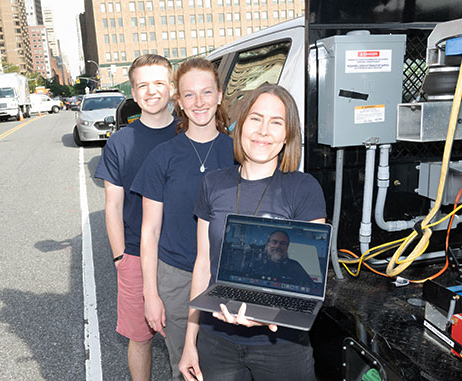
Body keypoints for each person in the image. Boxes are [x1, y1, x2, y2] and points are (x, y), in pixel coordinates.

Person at [179, 83, 326, 381]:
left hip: (281, 345)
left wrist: (265, 317)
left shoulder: (304, 188)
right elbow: (203, 264)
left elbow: (311, 282)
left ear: (287, 136)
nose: (263, 131)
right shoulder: (213, 184)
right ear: (241, 124)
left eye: (276, 123)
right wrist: (189, 342)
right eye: (256, 118)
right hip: (216, 340)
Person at [130, 58, 235, 380]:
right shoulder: (163, 156)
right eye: (189, 95)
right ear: (179, 101)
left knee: (227, 369)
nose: (199, 102)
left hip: (227, 278)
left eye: (206, 93)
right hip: (175, 277)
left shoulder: (240, 152)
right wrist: (151, 295)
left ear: (219, 96)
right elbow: (149, 230)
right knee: (187, 368)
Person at [94, 54, 178, 381]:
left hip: (183, 257)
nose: (151, 91)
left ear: (171, 87)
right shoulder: (120, 142)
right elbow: (113, 206)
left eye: (158, 83)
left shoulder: (188, 134)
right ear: (133, 91)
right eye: (143, 85)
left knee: (186, 339)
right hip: (134, 254)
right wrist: (120, 258)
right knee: (139, 338)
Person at [249, 230, 315, 288]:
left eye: (282, 243)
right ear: (268, 244)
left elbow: (311, 288)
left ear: (287, 247)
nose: (278, 246)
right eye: (274, 242)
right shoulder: (253, 264)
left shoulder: (295, 266)